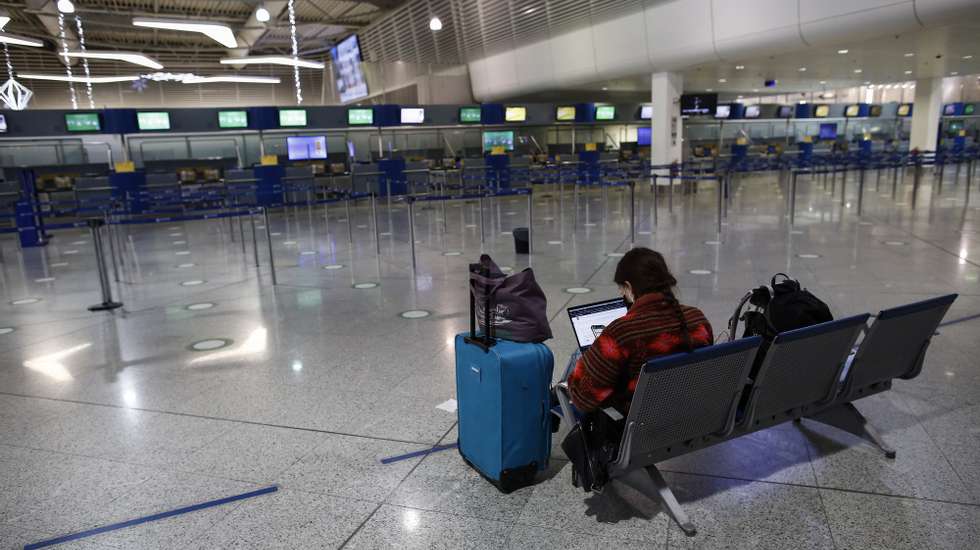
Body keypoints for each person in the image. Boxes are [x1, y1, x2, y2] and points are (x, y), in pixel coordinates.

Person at [565, 247, 714, 415]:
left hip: (638, 426)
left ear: (629, 286)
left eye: (622, 288)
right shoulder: (696, 319)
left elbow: (585, 399)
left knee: (579, 356)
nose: (622, 293)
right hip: (689, 415)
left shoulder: (621, 332)